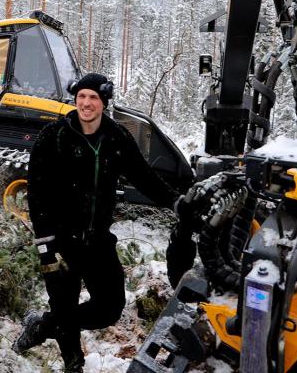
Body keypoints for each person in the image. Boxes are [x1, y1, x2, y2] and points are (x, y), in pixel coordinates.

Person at [13, 73, 178, 372]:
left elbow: (144, 177)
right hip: (58, 242)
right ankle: (73, 364)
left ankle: (41, 326)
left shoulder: (116, 137)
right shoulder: (54, 136)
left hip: (98, 242)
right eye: (82, 97)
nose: (86, 103)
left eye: (93, 98)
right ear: (75, 100)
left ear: (103, 102)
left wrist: (176, 201)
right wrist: (44, 244)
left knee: (109, 309)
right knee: (64, 304)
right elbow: (36, 195)